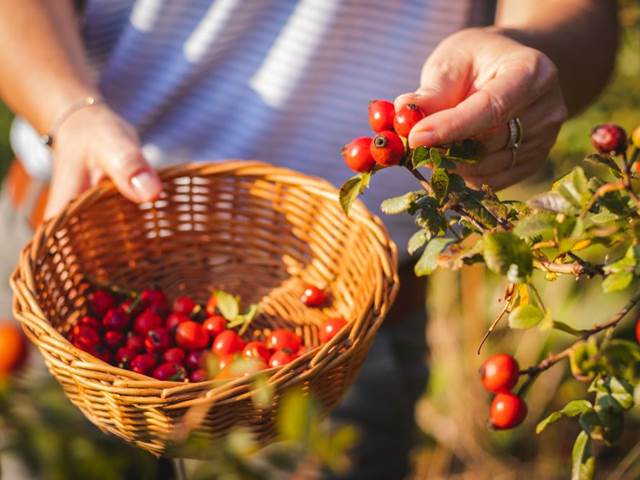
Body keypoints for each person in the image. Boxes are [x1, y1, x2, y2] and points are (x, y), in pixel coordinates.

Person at [0, 0, 618, 478]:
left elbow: (580, 18)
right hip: (74, 252)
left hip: (346, 339)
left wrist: (526, 54)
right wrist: (67, 107)